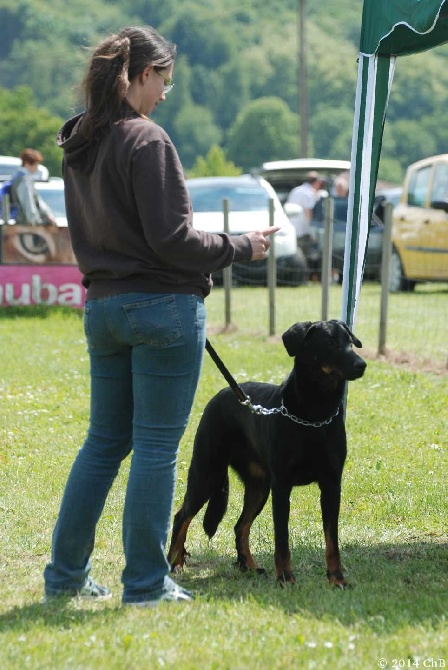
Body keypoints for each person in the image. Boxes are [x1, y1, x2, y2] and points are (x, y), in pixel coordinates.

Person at [43, 25, 278, 607]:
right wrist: (240, 247)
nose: (165, 94)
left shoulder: (81, 143)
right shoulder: (147, 140)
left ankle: (65, 576)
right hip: (162, 310)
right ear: (141, 74)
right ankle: (146, 584)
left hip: (102, 308)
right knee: (154, 448)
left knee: (103, 444)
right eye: (163, 81)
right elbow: (173, 241)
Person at [10, 149, 56, 225]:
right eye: (35, 165)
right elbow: (28, 204)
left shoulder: (18, 178)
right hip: (26, 224)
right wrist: (35, 222)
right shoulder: (24, 180)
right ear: (27, 163)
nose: (36, 168)